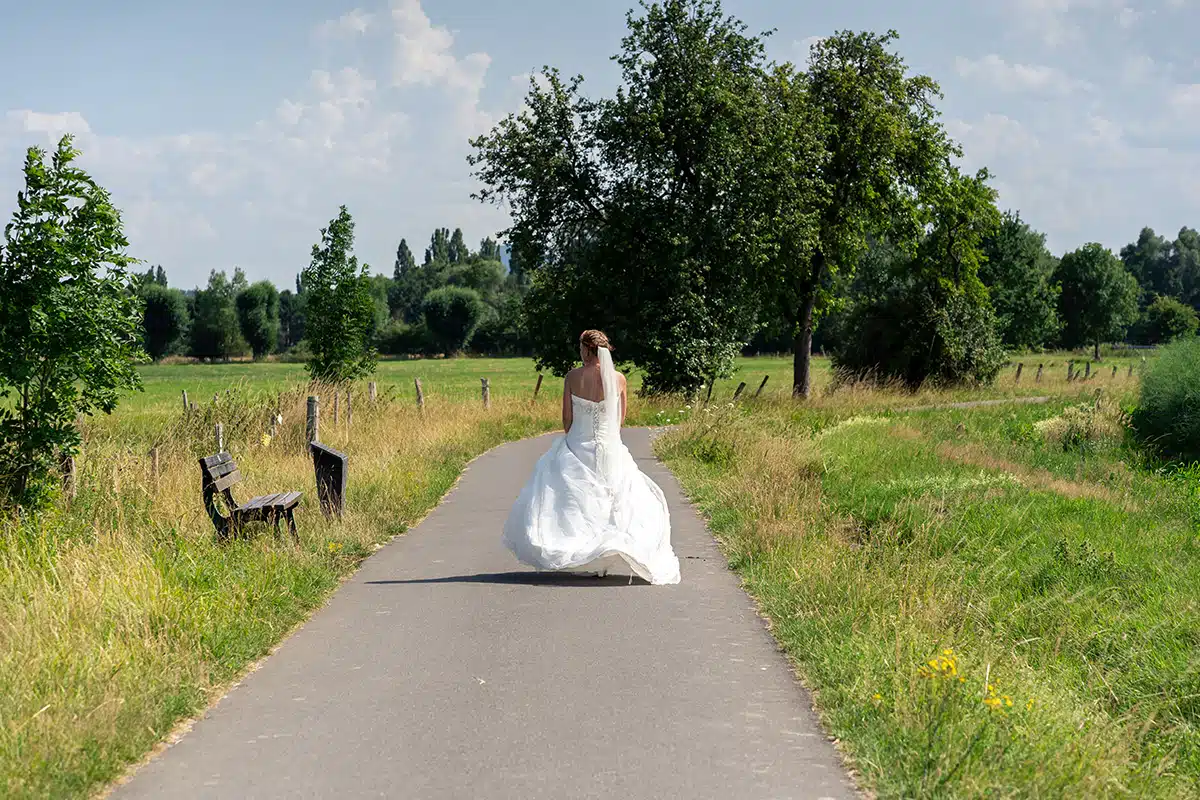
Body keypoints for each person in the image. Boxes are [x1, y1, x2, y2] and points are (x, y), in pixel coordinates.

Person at [502, 330, 681, 585]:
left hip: (578, 442)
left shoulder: (573, 377)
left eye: (580, 346)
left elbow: (567, 418)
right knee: (615, 496)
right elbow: (620, 418)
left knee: (575, 500)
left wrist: (573, 436)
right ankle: (607, 549)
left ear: (586, 349)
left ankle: (583, 548)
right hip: (610, 446)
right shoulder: (618, 379)